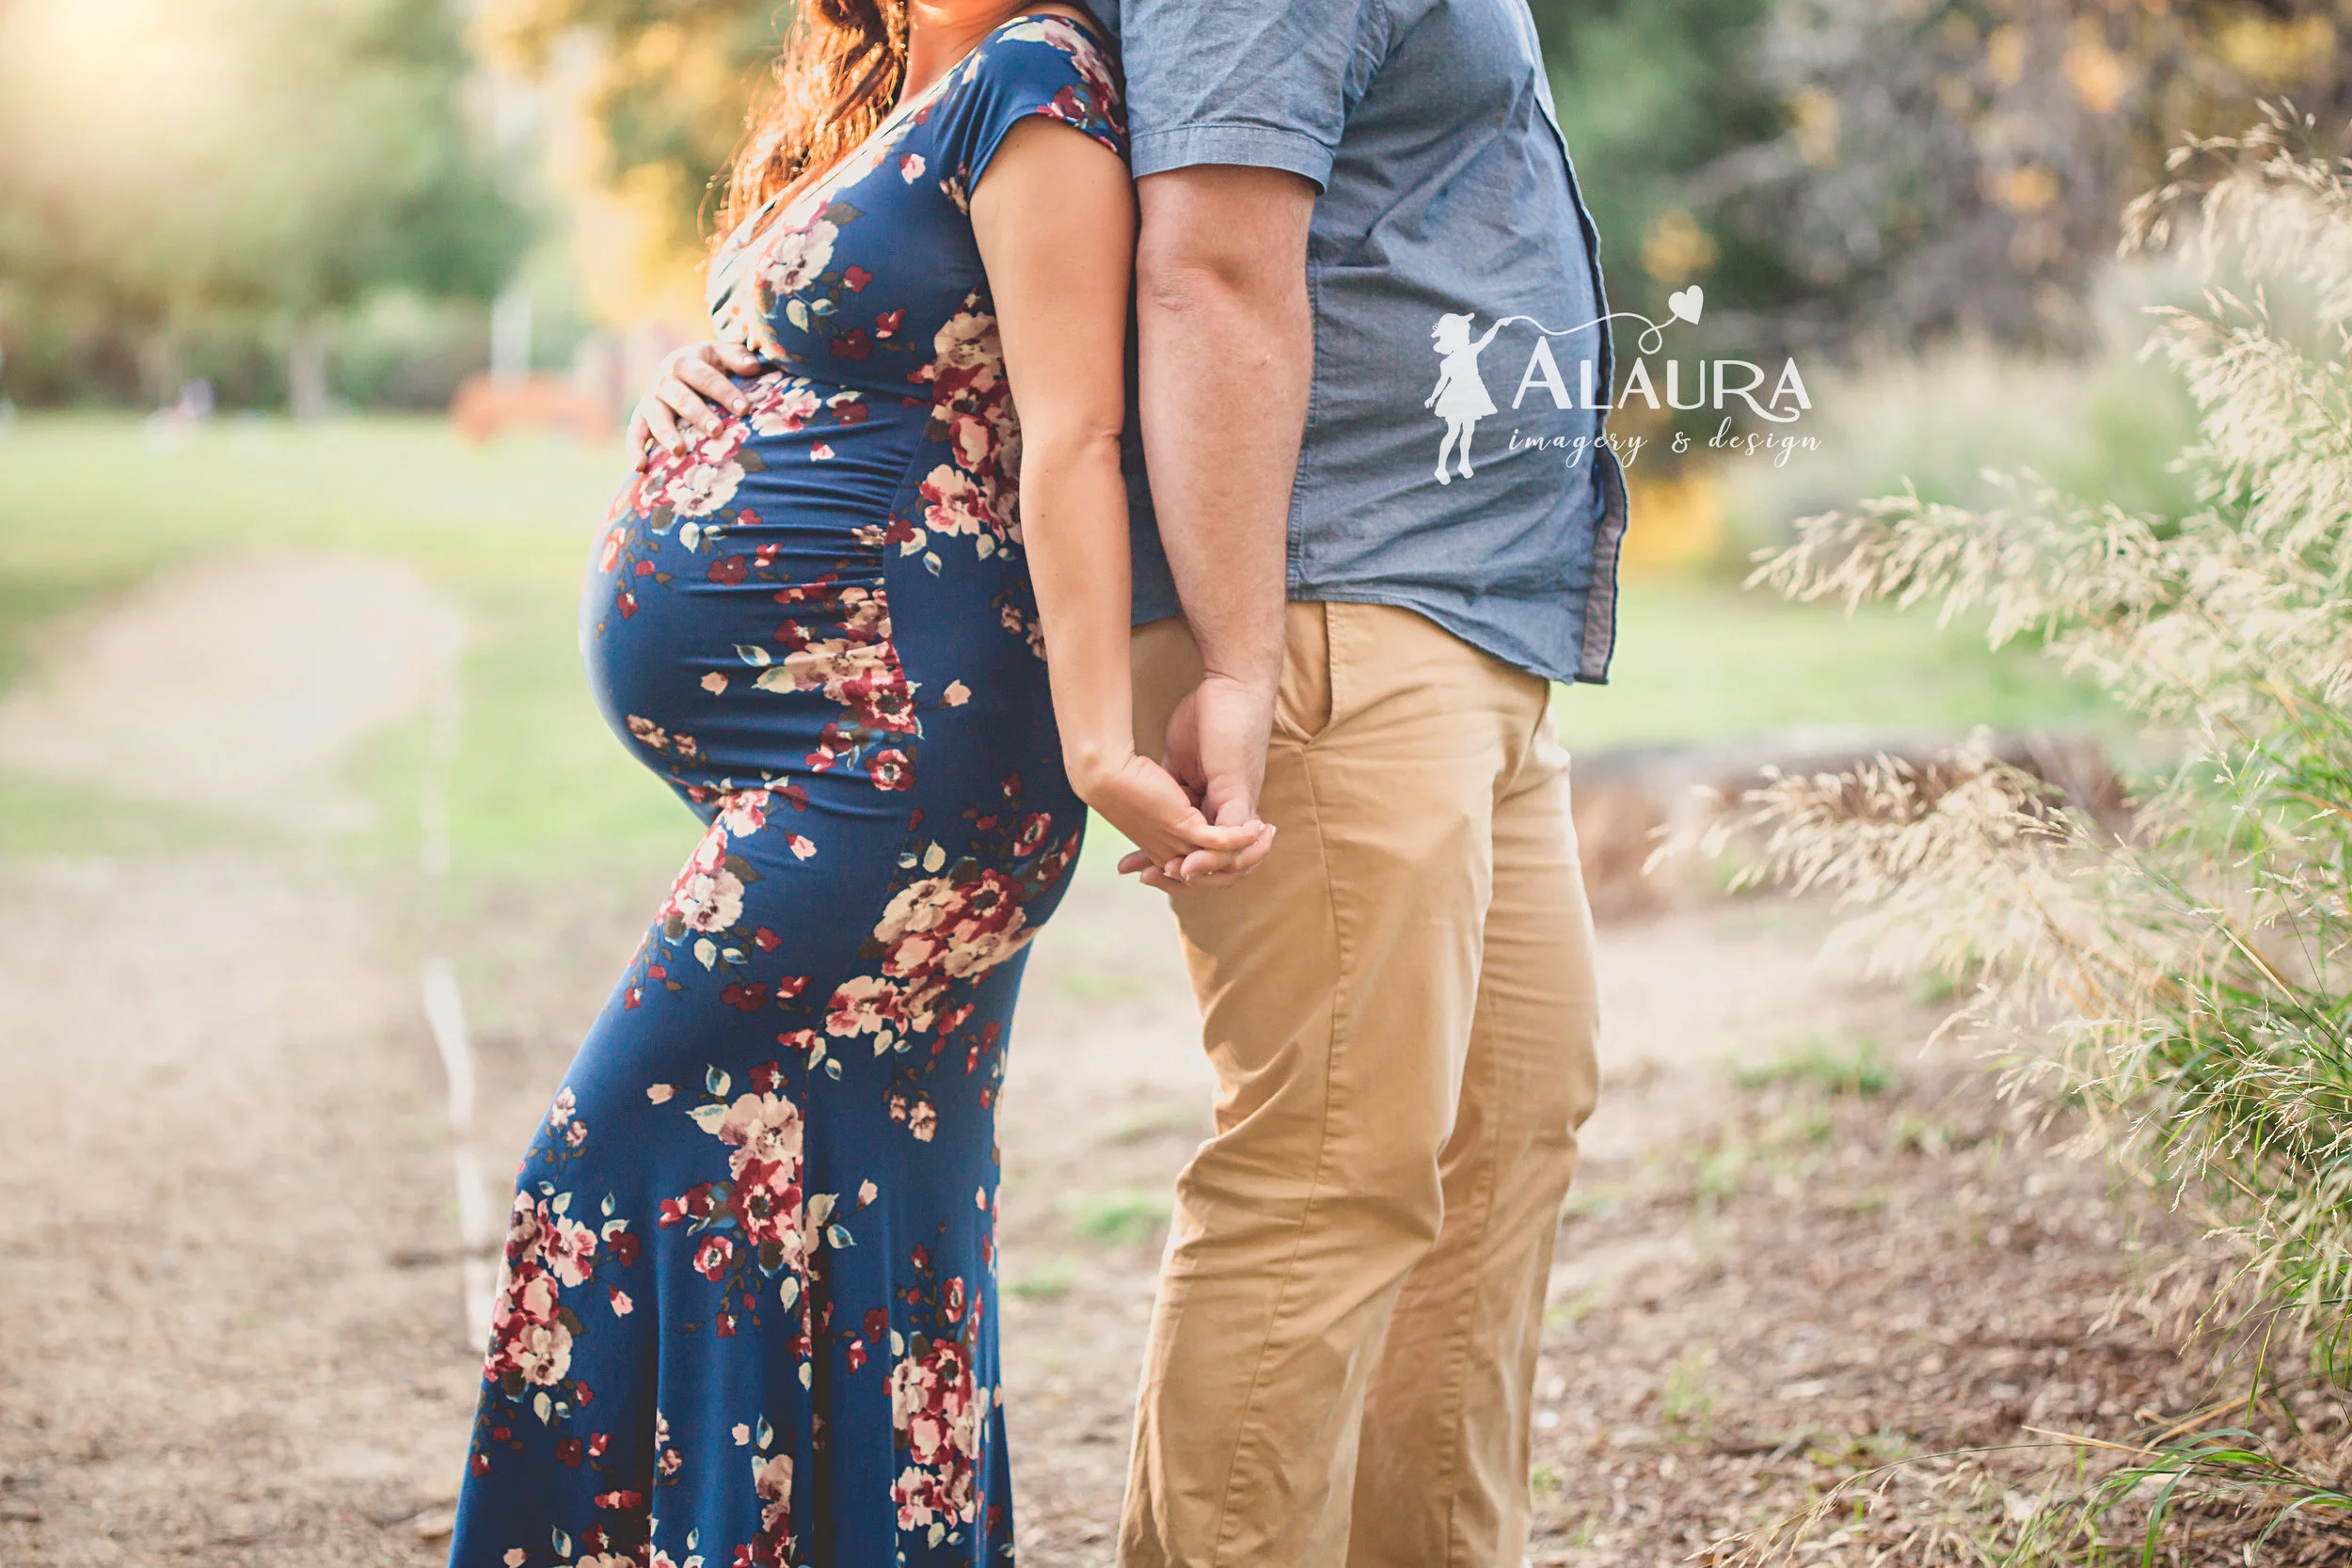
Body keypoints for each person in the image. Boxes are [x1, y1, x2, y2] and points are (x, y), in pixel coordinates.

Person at [445, 5, 1268, 1565]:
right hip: (859, 759)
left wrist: (1101, 744)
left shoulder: (1035, 79)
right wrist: (688, 388)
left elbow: (1073, 432)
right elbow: (851, 360)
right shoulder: (898, 93)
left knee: (606, 1162)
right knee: (865, 1223)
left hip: (893, 762)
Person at [1094, 1, 1621, 1564]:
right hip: (1332, 610)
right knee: (1327, 1172)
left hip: (1468, 616)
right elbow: (1210, 265)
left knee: (1504, 1133)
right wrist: (1239, 661)